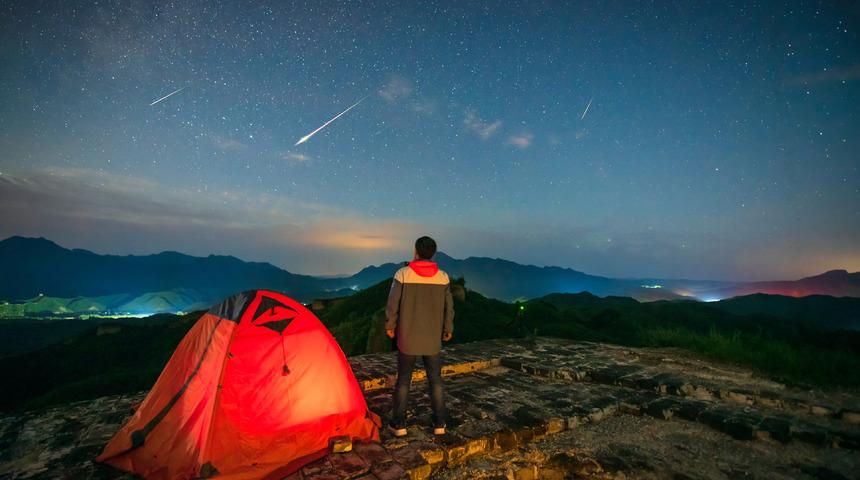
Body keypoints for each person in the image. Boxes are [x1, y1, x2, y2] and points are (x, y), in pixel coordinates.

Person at [385, 236, 454, 437]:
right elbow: (449, 307)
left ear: (416, 251)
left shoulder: (403, 274)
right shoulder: (443, 277)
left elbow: (392, 304)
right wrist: (448, 327)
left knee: (404, 381)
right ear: (433, 253)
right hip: (432, 339)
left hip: (407, 338)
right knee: (435, 380)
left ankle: (399, 425)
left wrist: (390, 325)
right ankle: (439, 423)